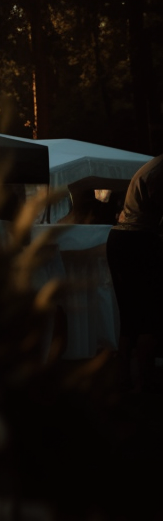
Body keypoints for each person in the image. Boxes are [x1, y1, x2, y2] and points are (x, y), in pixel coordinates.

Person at [106, 154, 163, 392]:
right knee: (150, 313)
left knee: (129, 315)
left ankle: (124, 378)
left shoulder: (154, 165)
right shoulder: (160, 171)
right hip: (139, 239)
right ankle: (144, 380)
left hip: (121, 237)